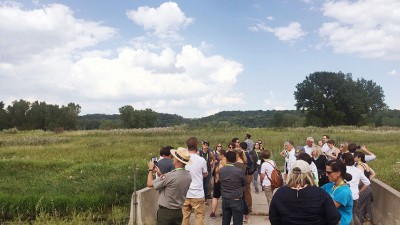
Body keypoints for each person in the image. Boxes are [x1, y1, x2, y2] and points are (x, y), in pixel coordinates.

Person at [269, 160, 341, 225]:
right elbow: (334, 218)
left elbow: (273, 218)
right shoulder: (320, 193)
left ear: (291, 174)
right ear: (309, 174)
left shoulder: (280, 193)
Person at [147, 147, 192, 225]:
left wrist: (150, 170)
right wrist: (160, 174)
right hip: (178, 211)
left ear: (177, 160)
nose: (173, 158)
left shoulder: (170, 176)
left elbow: (150, 184)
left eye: (174, 157)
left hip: (166, 213)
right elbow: (171, 182)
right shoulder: (188, 175)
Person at [182, 137, 208, 225]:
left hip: (185, 193)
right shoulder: (201, 160)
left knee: (185, 217)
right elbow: (205, 173)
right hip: (198, 194)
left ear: (187, 146)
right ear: (197, 146)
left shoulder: (183, 159)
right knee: (199, 217)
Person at [321, 159, 353, 225]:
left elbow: (328, 208)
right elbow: (314, 193)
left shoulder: (345, 192)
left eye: (329, 172)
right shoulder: (329, 185)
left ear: (338, 173)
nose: (326, 175)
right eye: (326, 172)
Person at [342, 153, 370, 225]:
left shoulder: (343, 170)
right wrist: (360, 191)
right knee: (354, 214)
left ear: (344, 160)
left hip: (346, 195)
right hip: (355, 195)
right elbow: (367, 182)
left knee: (349, 215)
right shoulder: (358, 170)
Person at [220, 150, 246, 225]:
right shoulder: (239, 171)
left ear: (226, 159)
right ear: (235, 159)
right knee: (237, 221)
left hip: (225, 197)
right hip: (236, 197)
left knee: (225, 219)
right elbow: (244, 183)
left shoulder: (222, 170)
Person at [354, 151, 375, 224]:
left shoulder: (359, 166)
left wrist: (359, 187)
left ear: (359, 158)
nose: (353, 157)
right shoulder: (365, 164)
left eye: (355, 156)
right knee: (367, 207)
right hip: (369, 188)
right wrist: (369, 179)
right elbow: (373, 173)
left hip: (363, 188)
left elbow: (360, 178)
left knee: (358, 208)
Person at [210, 149, 227, 219]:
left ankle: (213, 212)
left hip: (219, 182)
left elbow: (219, 173)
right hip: (226, 182)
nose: (217, 156)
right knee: (224, 198)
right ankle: (224, 212)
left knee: (215, 197)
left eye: (218, 155)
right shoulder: (228, 162)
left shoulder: (221, 163)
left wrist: (217, 178)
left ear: (222, 155)